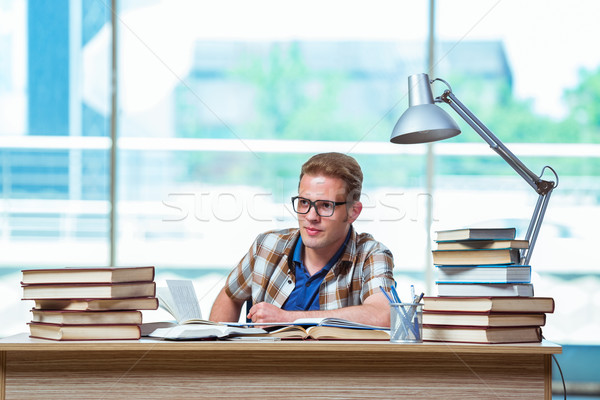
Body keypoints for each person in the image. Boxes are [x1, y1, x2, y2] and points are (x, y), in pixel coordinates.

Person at [209, 152, 395, 327]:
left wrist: (287, 318)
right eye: (304, 202)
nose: (311, 216)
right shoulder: (267, 245)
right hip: (265, 361)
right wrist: (217, 353)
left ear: (353, 211)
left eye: (325, 205)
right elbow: (230, 296)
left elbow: (383, 315)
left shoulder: (371, 255)